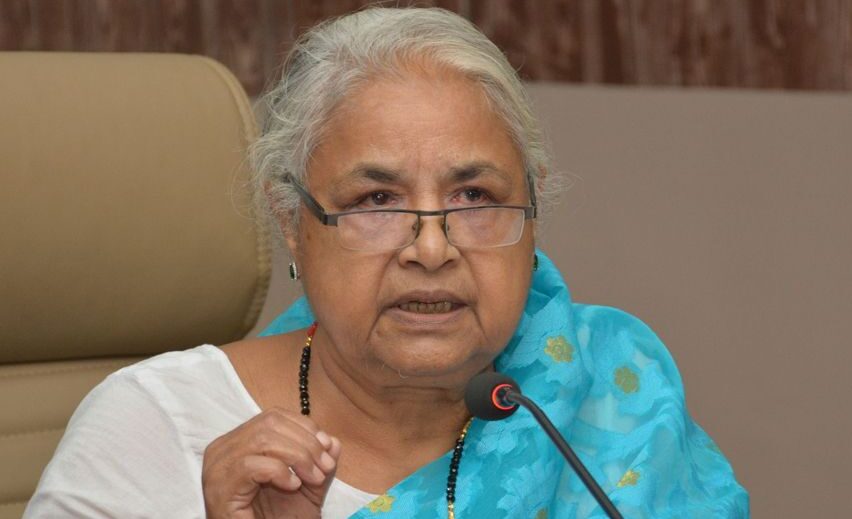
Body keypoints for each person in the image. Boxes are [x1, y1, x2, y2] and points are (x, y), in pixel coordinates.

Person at [24, 7, 748, 519]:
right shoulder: (160, 427)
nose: (431, 249)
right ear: (293, 224)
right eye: (375, 199)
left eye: (474, 195)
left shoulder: (609, 397)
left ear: (531, 216)